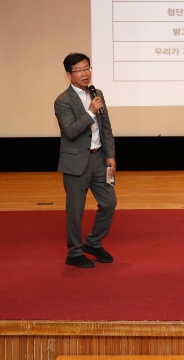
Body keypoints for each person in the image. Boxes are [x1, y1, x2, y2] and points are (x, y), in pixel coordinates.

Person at [54, 53, 117, 268]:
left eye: (87, 68)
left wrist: (110, 155)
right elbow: (71, 131)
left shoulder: (97, 93)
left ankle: (93, 242)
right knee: (75, 211)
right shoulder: (63, 101)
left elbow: (106, 127)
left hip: (99, 159)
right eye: (79, 70)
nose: (85, 73)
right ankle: (74, 252)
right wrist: (90, 112)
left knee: (109, 203)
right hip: (76, 163)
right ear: (69, 74)